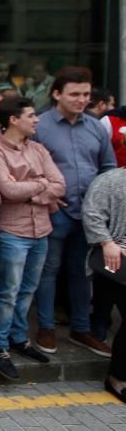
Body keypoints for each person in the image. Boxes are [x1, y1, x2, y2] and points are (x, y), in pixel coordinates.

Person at [34, 66, 116, 357]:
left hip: (90, 215)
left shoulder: (95, 126)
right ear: (57, 94)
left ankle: (82, 329)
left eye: (86, 94)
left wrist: (104, 205)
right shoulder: (39, 125)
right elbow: (27, 167)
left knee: (83, 273)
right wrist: (47, 196)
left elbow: (108, 169)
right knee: (49, 270)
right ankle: (46, 328)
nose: (81, 100)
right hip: (53, 211)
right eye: (74, 94)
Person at [0, 96, 65, 380]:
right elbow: (7, 190)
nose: (37, 119)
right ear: (14, 120)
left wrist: (31, 187)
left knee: (28, 288)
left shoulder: (39, 149)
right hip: (12, 231)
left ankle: (19, 337)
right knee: (8, 291)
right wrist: (42, 185)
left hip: (41, 230)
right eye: (31, 115)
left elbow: (59, 185)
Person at [81, 166, 126, 403]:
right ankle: (116, 378)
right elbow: (92, 213)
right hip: (116, 262)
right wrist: (107, 242)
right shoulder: (109, 180)